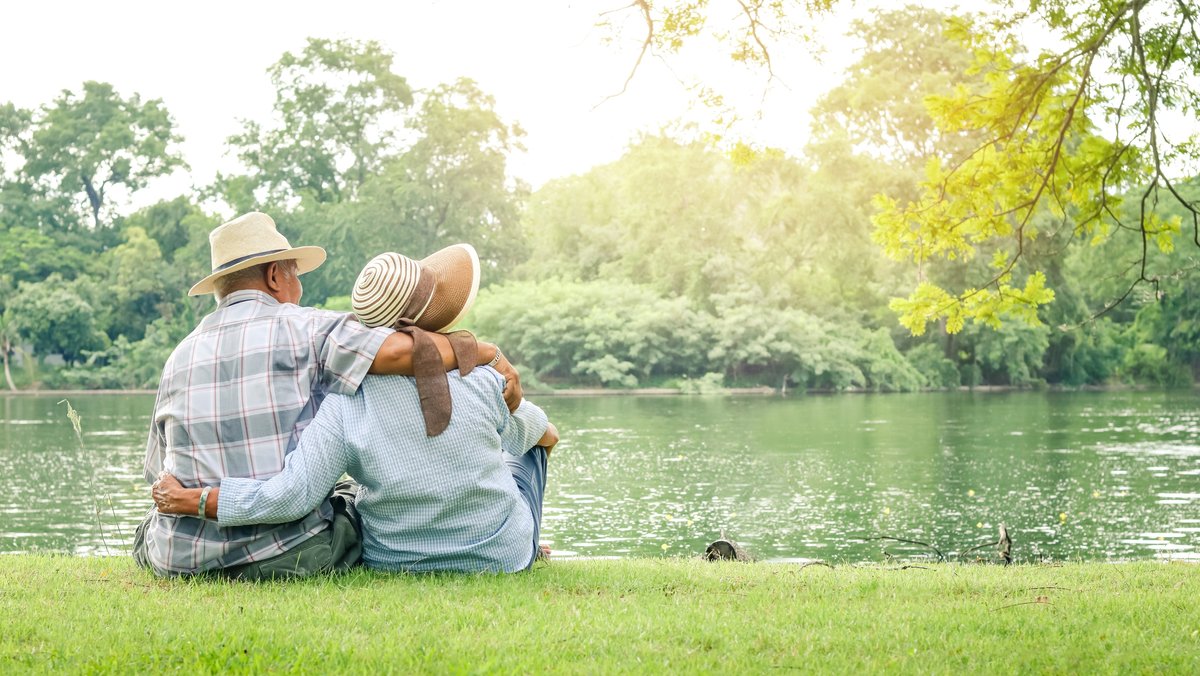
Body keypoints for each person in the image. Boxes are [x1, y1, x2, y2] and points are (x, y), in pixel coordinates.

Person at [134, 212, 521, 579]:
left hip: (181, 556)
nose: (299, 289)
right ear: (274, 276)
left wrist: (195, 502)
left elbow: (158, 474)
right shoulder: (308, 328)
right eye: (295, 275)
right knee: (346, 493)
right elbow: (402, 352)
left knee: (145, 533)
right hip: (286, 552)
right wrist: (484, 352)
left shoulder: (178, 355)